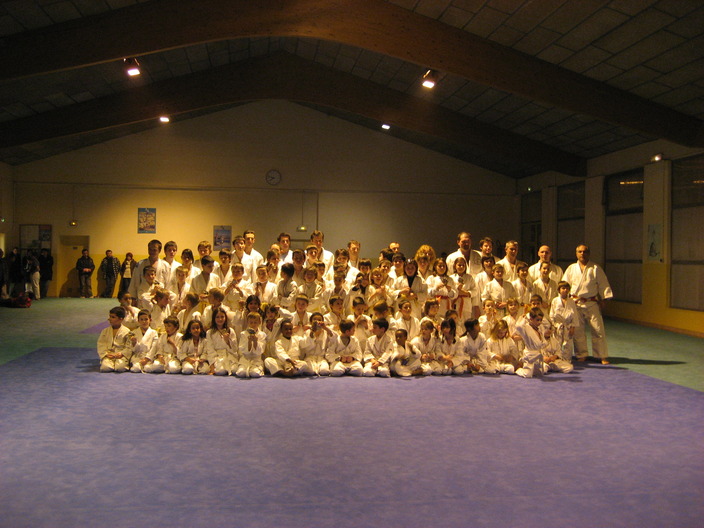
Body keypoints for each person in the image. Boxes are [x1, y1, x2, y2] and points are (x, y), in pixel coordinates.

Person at [562, 244, 613, 364]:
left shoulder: (595, 268)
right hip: (576, 302)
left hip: (591, 302)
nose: (582, 254)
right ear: (576, 254)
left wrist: (604, 299)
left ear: (589, 253)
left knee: (598, 329)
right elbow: (564, 284)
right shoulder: (571, 268)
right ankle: (581, 354)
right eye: (580, 252)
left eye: (585, 252)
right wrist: (564, 299)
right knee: (578, 330)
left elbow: (603, 284)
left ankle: (601, 355)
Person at [514, 307, 549, 378]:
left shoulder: (540, 328)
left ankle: (540, 366)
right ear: (531, 319)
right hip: (529, 356)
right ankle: (518, 369)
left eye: (541, 320)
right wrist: (526, 315)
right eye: (537, 320)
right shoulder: (526, 328)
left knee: (542, 371)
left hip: (538, 355)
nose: (539, 322)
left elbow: (548, 324)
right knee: (528, 374)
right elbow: (518, 326)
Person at [97, 306, 132, 373]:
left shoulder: (127, 331)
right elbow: (101, 344)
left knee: (120, 368)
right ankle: (110, 363)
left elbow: (129, 346)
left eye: (113, 317)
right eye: (110, 316)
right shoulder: (105, 331)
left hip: (120, 355)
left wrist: (122, 353)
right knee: (105, 368)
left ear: (121, 319)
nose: (109, 319)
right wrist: (105, 354)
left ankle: (120, 364)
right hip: (109, 354)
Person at [205, 307, 238, 376]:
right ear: (214, 319)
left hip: (229, 355)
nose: (220, 319)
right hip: (218, 357)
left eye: (222, 317)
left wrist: (228, 341)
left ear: (225, 318)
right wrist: (212, 365)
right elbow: (210, 350)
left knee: (234, 370)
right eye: (217, 317)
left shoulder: (230, 331)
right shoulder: (210, 332)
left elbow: (235, 349)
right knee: (220, 371)